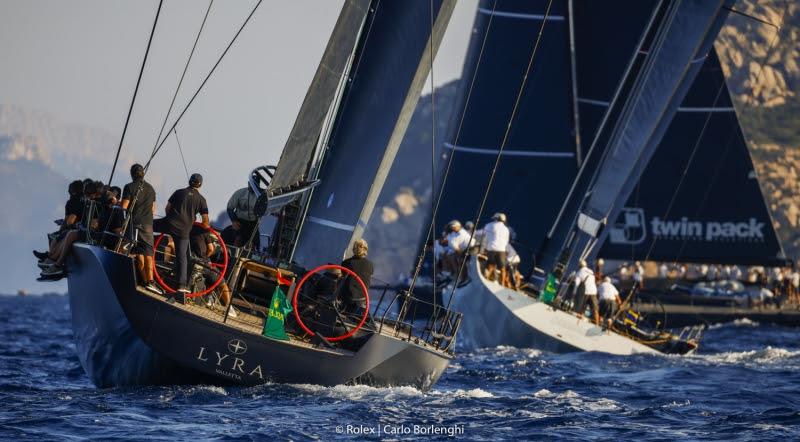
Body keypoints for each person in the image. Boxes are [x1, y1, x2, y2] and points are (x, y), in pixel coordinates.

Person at [154, 173, 209, 298]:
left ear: (189, 181)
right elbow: (205, 222)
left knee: (147, 225)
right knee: (182, 257)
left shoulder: (178, 192)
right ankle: (182, 286)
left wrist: (171, 218)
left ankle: (131, 243)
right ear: (200, 185)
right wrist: (195, 221)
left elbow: (168, 208)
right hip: (184, 231)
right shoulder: (202, 200)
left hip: (169, 223)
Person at [121, 164, 159, 292]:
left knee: (133, 252)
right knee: (148, 254)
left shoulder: (129, 187)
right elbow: (153, 209)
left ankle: (143, 280)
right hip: (147, 225)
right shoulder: (151, 189)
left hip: (133, 224)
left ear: (132, 174)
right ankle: (150, 281)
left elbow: (124, 206)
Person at [340, 239, 373, 318]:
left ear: (354, 249)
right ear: (366, 249)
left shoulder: (346, 263)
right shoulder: (370, 265)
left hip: (348, 298)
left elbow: (343, 277)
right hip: (362, 298)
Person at [226, 185, 260, 250]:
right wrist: (234, 221)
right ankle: (234, 254)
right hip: (239, 221)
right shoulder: (240, 193)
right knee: (238, 239)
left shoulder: (261, 195)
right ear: (248, 183)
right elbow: (229, 208)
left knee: (254, 244)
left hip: (253, 223)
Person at [483, 213, 510, 284]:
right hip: (501, 250)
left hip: (490, 249)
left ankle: (486, 279)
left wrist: (485, 248)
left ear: (496, 219)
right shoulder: (506, 229)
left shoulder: (488, 225)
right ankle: (503, 283)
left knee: (491, 264)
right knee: (502, 268)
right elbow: (506, 242)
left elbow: (484, 236)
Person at [574, 259, 600, 325]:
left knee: (581, 308)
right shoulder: (591, 271)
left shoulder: (579, 272)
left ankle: (578, 323)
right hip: (593, 291)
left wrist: (574, 293)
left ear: (579, 266)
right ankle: (597, 325)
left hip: (585, 292)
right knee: (595, 310)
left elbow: (576, 284)